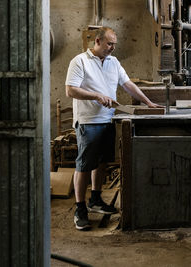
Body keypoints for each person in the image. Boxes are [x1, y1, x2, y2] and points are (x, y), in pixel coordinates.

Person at [65, 27, 162, 230]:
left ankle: (96, 199)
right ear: (98, 41)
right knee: (83, 165)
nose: (113, 48)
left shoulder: (113, 62)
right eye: (109, 44)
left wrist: (147, 102)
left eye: (114, 44)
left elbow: (127, 84)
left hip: (108, 119)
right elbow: (70, 90)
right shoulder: (80, 61)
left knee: (102, 163)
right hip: (88, 121)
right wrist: (96, 96)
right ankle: (80, 209)